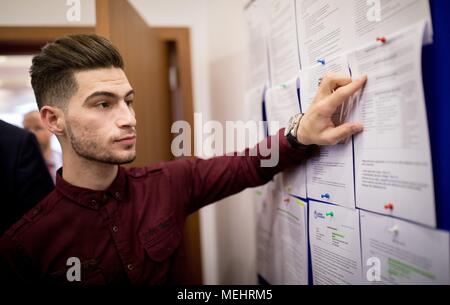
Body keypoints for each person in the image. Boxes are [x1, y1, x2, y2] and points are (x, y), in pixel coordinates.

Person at [0, 34, 366, 285]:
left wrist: (301, 132)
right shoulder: (24, 244)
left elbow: (248, 165)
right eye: (103, 104)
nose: (129, 117)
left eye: (128, 100)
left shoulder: (168, 182)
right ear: (53, 120)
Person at [0, 120, 54, 235]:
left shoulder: (18, 143)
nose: (32, 132)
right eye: (27, 127)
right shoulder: (18, 142)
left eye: (38, 128)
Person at [23, 111, 63, 182]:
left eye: (38, 128)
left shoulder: (64, 160)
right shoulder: (20, 164)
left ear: (51, 130)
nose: (31, 133)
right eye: (26, 129)